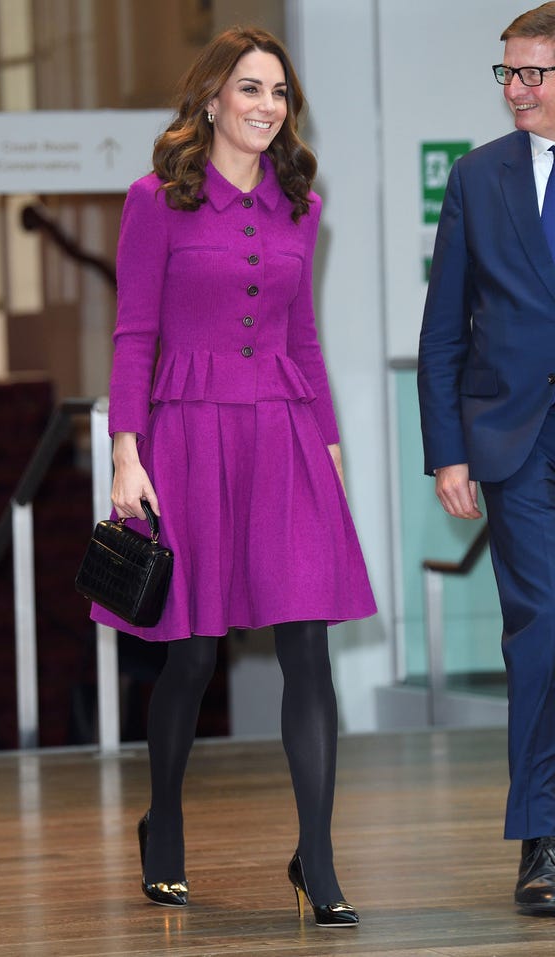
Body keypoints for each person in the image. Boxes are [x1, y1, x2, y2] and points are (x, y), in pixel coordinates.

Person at [91, 25, 376, 927]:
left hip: (284, 434)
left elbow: (305, 338)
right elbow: (135, 334)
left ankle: (318, 857)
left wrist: (329, 448)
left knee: (308, 646)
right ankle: (163, 821)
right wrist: (125, 452)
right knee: (191, 653)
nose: (266, 107)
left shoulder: (302, 204)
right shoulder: (154, 200)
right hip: (186, 437)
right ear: (212, 99)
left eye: (279, 93)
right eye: (249, 89)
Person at [418, 0, 555, 916]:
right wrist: (447, 452)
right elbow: (441, 333)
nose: (514, 89)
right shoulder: (476, 178)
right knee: (543, 626)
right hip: (514, 443)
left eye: (532, 73)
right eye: (505, 71)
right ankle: (541, 836)